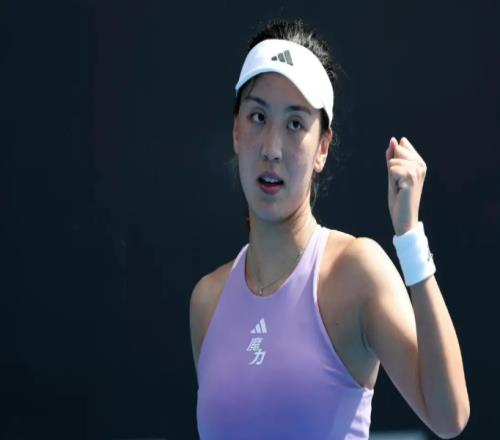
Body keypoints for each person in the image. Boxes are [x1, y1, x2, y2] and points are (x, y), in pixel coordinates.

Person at [189, 18, 469, 440]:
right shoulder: (206, 302)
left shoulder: (357, 271)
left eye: (295, 124)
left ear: (322, 147)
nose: (271, 149)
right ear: (236, 132)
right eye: (258, 117)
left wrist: (410, 238)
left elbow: (449, 416)